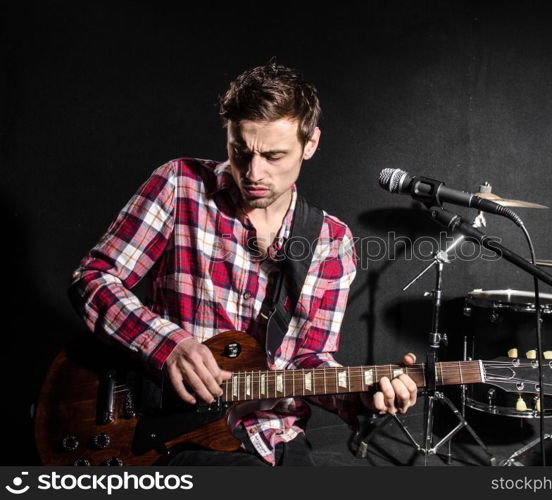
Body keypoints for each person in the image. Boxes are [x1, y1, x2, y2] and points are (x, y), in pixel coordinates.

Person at [69, 61, 417, 466]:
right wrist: (168, 346)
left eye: (274, 156)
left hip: (274, 433)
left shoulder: (331, 240)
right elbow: (93, 280)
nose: (253, 173)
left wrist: (362, 394)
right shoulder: (180, 185)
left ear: (311, 144)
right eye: (240, 151)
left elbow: (309, 361)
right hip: (173, 430)